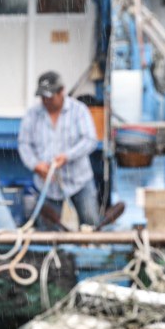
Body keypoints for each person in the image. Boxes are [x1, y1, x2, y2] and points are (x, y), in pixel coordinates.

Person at [17, 70, 100, 229]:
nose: (46, 101)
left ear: (62, 91)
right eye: (43, 97)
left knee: (91, 228)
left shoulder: (79, 110)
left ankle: (90, 252)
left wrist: (67, 156)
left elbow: (90, 140)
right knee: (47, 234)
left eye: (50, 96)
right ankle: (54, 254)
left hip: (79, 182)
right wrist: (36, 165)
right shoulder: (32, 115)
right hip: (48, 187)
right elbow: (24, 144)